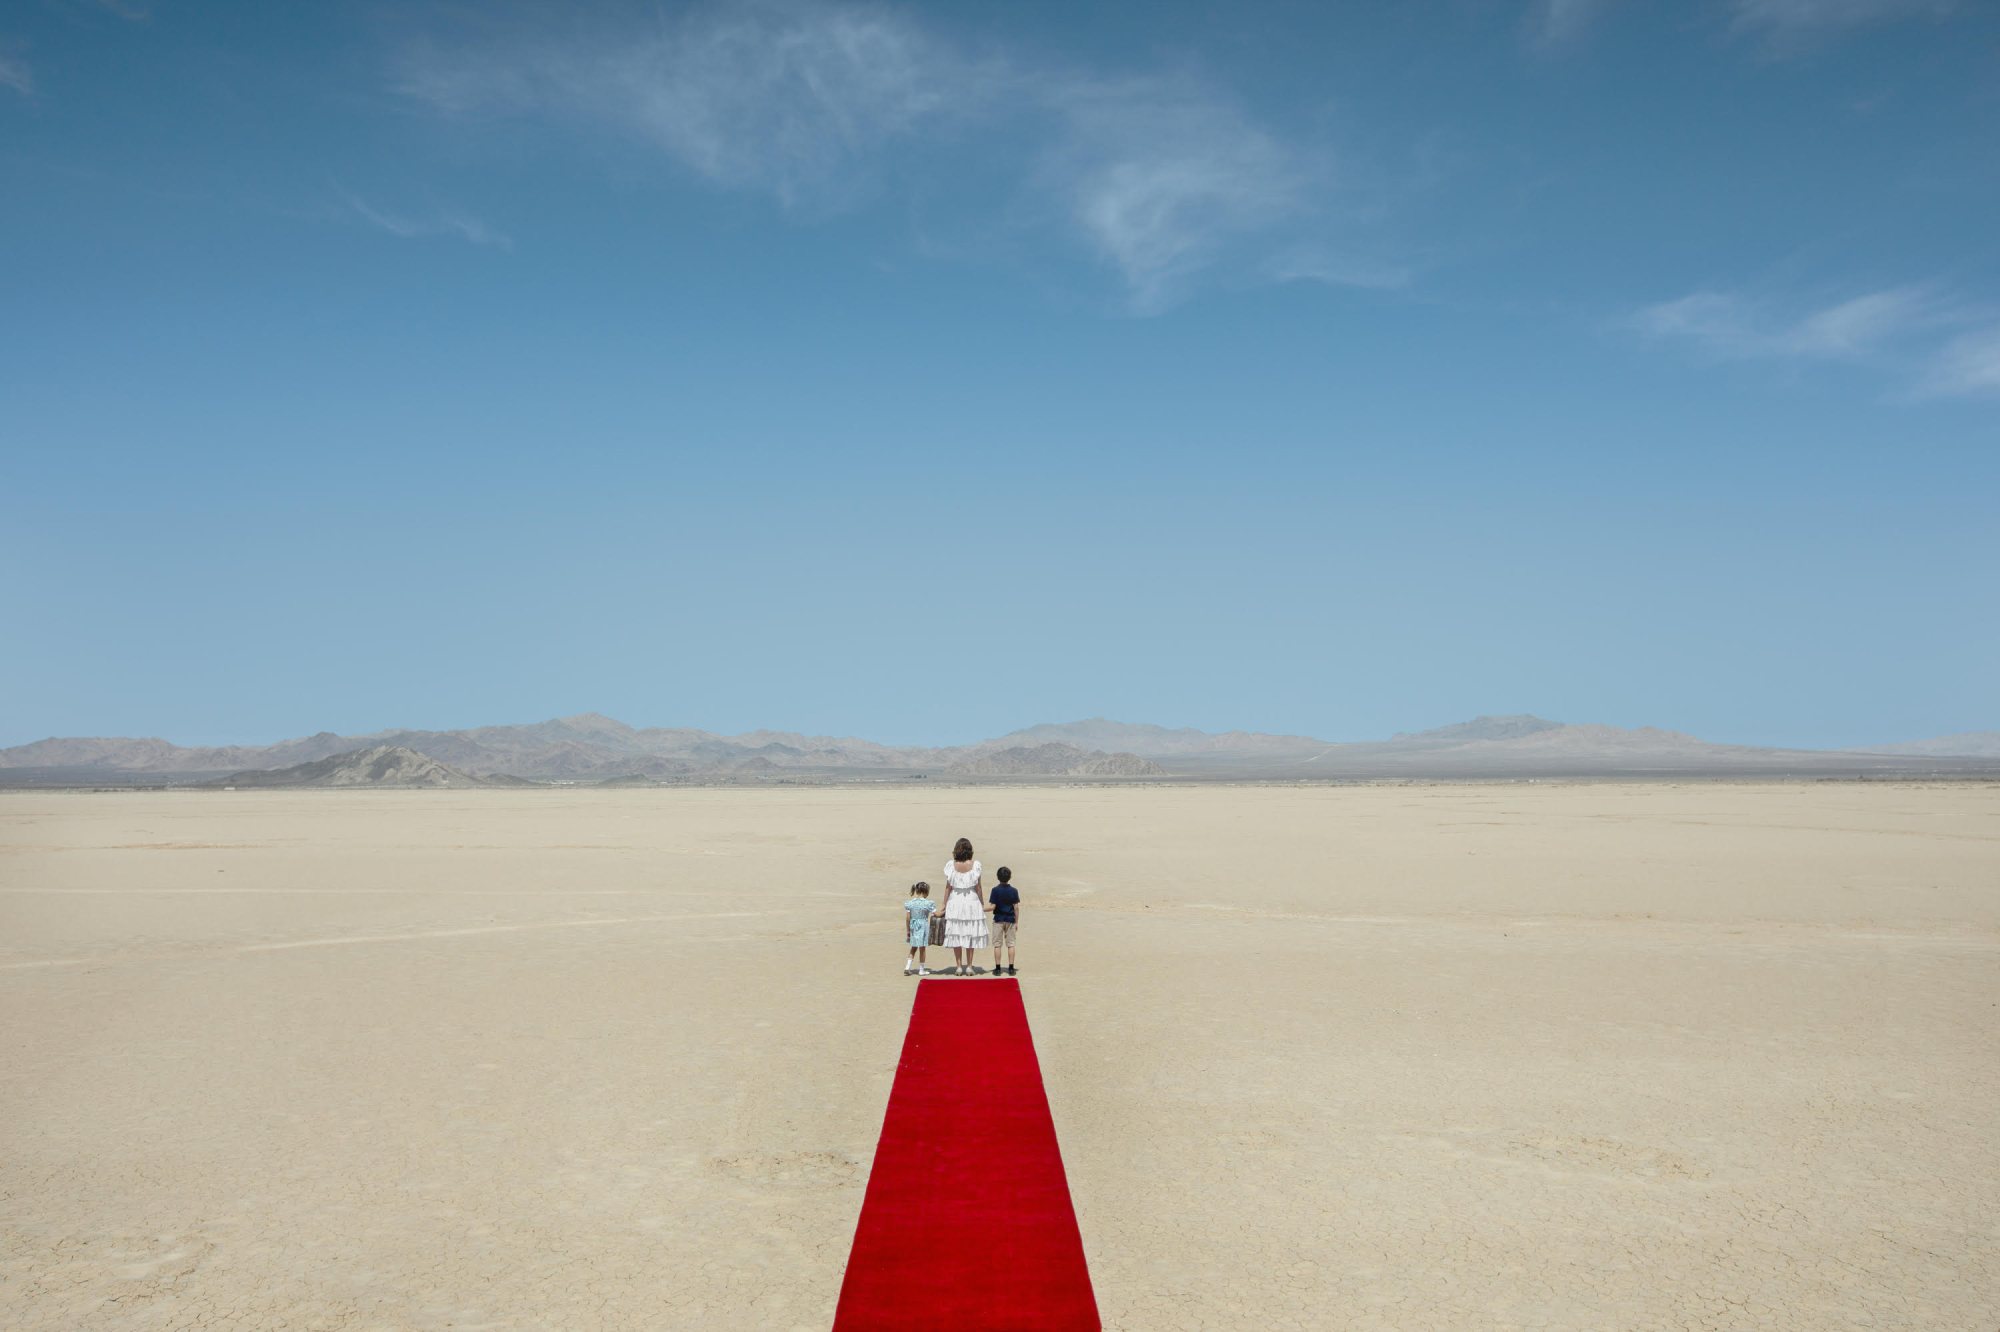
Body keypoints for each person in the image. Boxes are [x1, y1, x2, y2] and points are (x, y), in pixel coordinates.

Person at [940, 836, 988, 975]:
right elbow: (978, 887)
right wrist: (982, 901)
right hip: (971, 900)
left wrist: (944, 903)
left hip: (955, 899)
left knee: (956, 932)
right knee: (969, 932)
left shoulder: (951, 866)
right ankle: (970, 966)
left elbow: (948, 887)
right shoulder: (975, 865)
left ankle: (959, 965)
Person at [987, 865, 1020, 976]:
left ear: (998, 877)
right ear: (1009, 877)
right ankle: (1011, 967)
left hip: (998, 919)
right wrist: (1016, 922)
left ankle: (998, 968)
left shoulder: (995, 890)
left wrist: (981, 909)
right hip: (1010, 919)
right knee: (1011, 944)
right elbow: (1016, 907)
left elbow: (992, 906)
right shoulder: (1014, 891)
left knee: (997, 945)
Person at [904, 882, 935, 977]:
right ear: (926, 891)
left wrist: (908, 930)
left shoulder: (910, 903)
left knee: (913, 947)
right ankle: (921, 969)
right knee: (922, 948)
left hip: (914, 925)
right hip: (923, 925)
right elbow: (936, 913)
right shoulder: (927, 903)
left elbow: (908, 918)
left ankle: (907, 967)